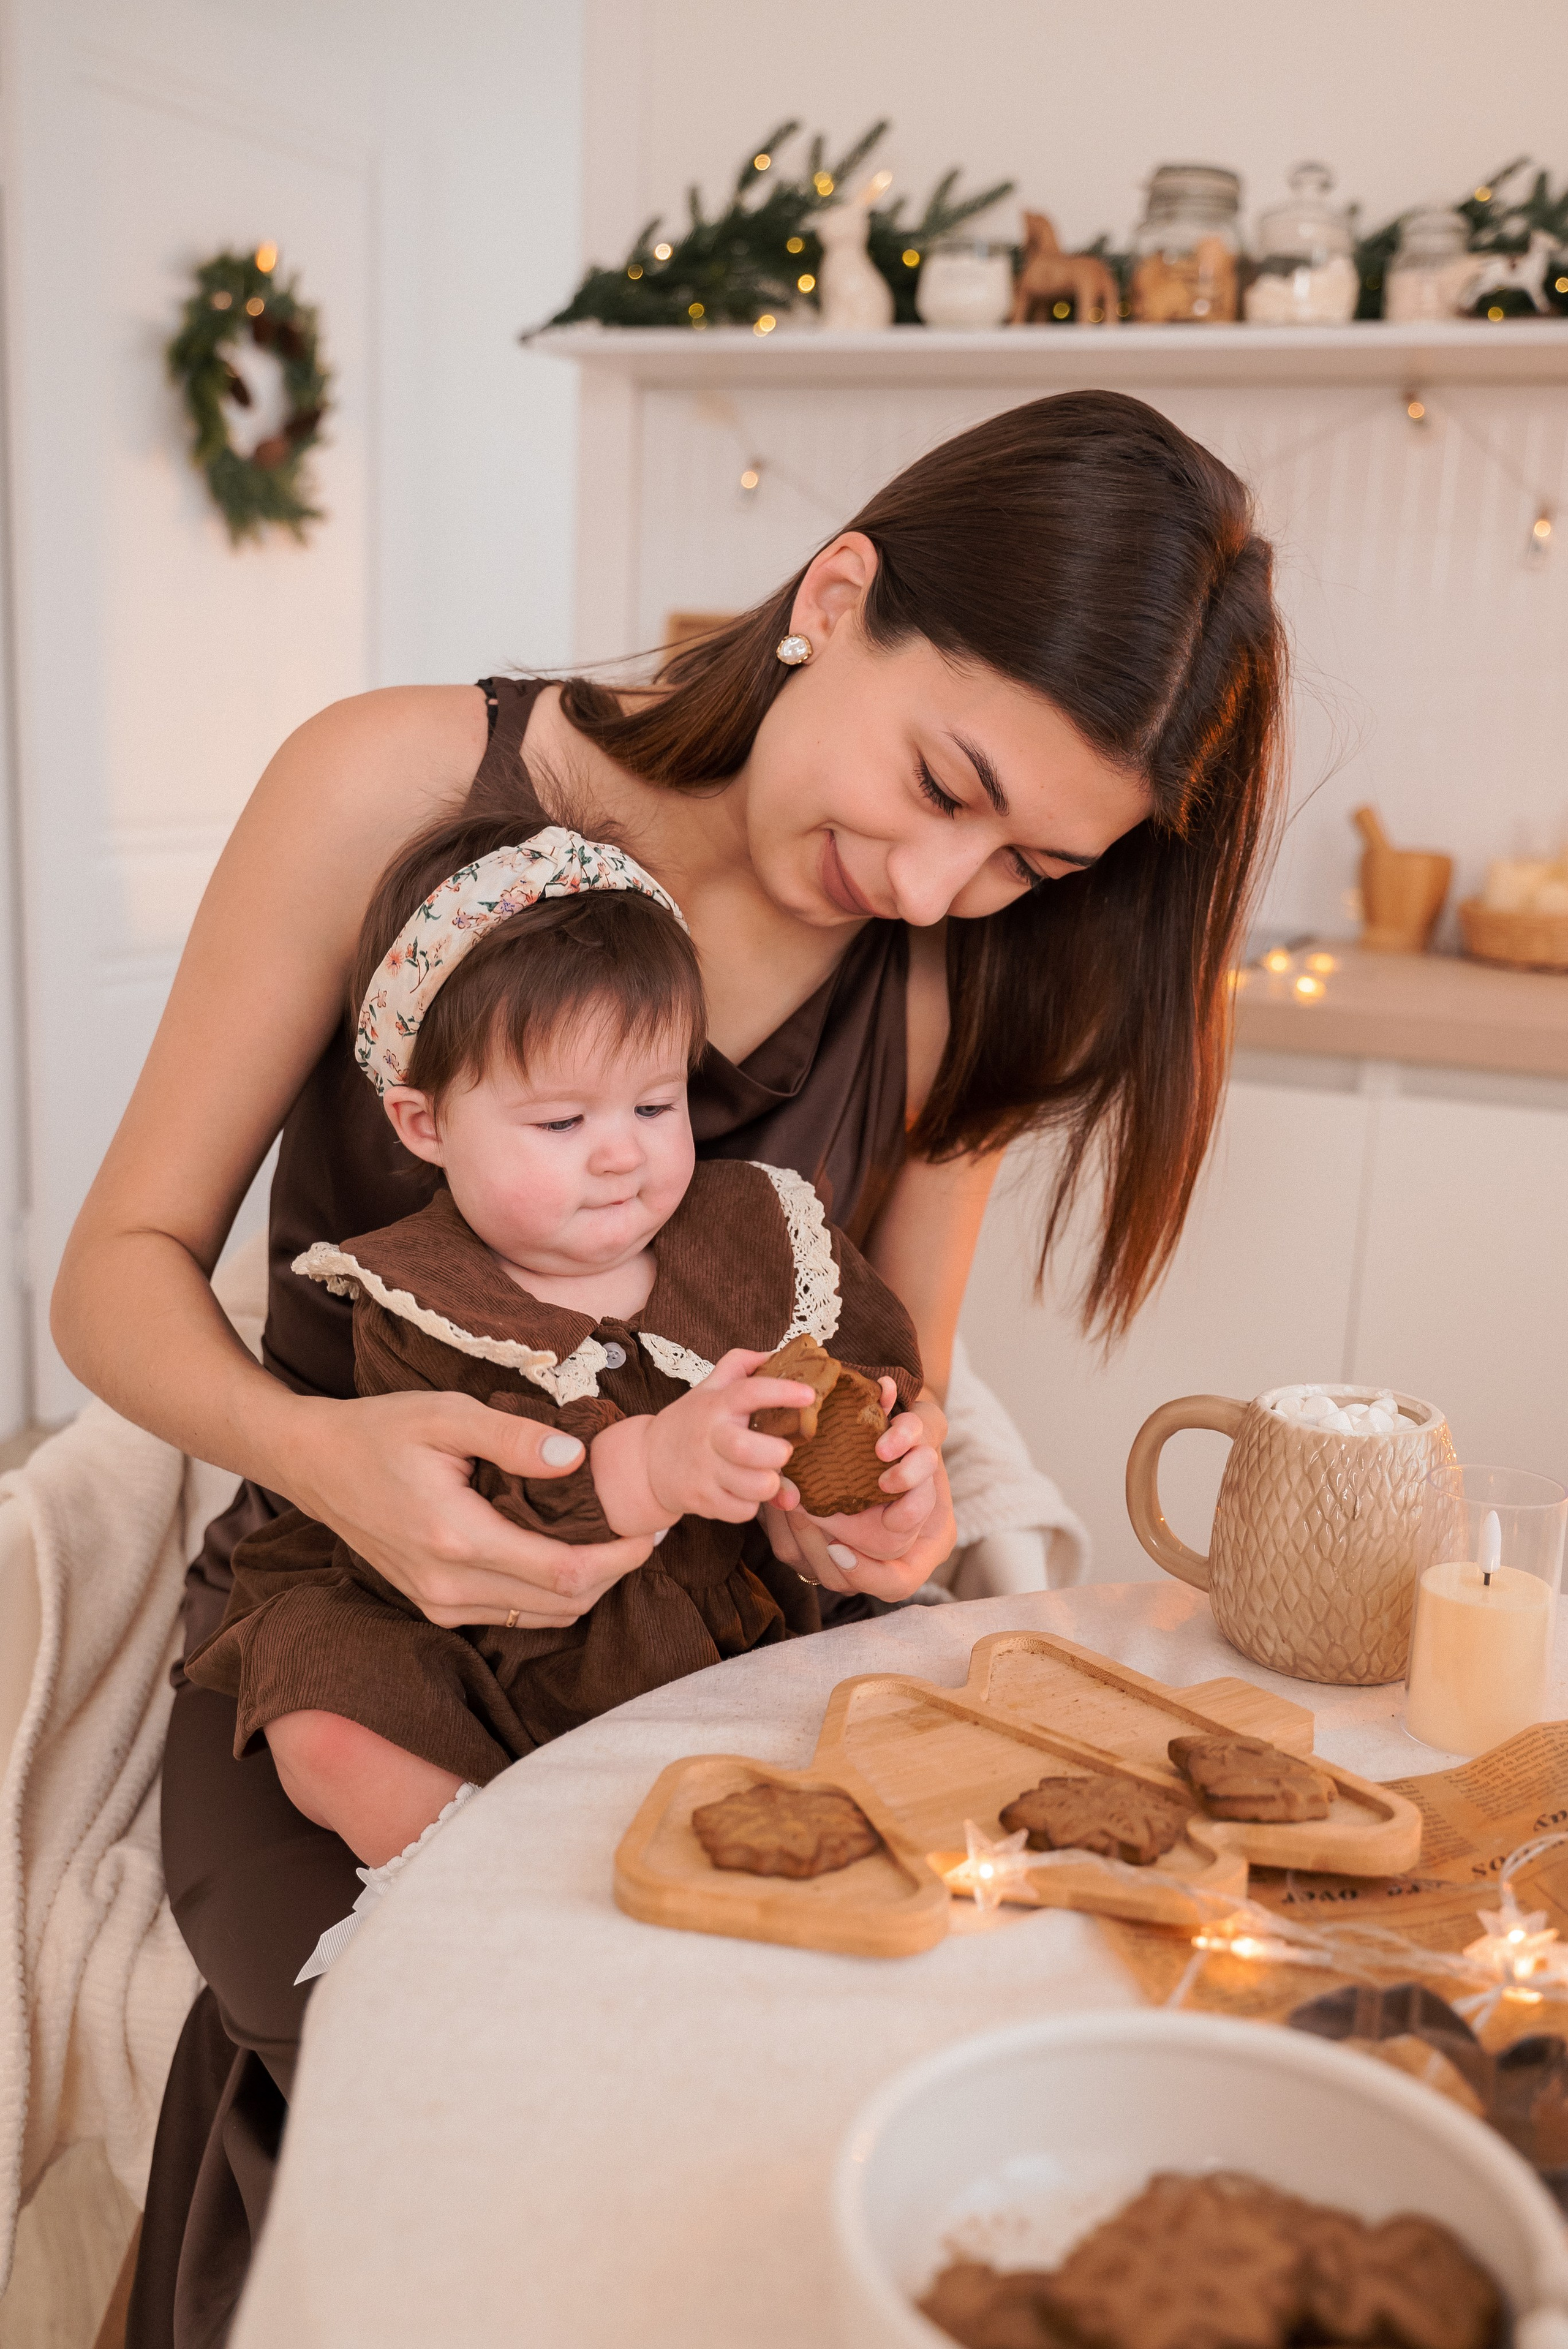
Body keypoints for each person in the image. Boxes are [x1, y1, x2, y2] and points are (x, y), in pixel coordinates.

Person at [52, 389, 1285, 2342]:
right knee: (440, 2078)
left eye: (1029, 862)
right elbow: (111, 1277)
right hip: (367, 1618)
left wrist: (877, 1520)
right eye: (942, 781)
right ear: (839, 593)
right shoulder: (389, 786)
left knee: (834, 2102)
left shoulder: (950, 976)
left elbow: (890, 1397)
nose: (936, 887)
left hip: (707, 1661)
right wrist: (322, 1449)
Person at [184, 820, 939, 1950]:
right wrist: (653, 1466)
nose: (622, 1153)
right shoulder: (416, 1291)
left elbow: (871, 1375)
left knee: (882, 1691)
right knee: (323, 1707)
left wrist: (891, 1471)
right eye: (561, 1121)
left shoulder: (755, 1228)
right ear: (427, 1125)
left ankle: (698, 1877)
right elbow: (478, 1495)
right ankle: (486, 1901)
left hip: (708, 1631)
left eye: (655, 1105)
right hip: (474, 1638)